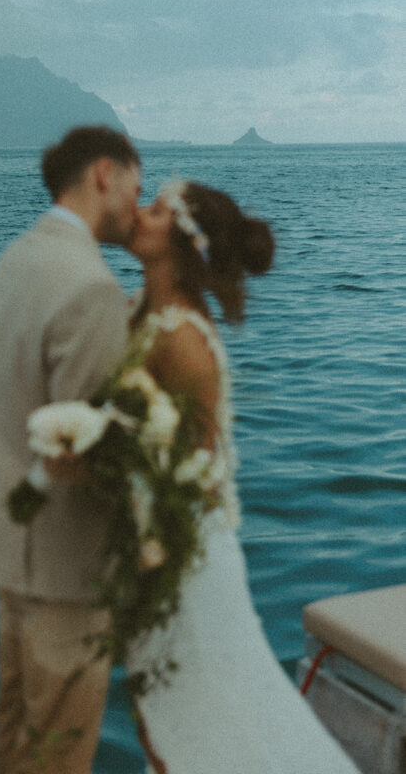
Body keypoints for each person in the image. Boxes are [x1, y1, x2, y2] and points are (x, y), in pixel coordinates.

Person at [123, 178, 360, 774]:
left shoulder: (181, 339)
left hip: (182, 551)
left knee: (196, 714)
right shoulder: (142, 310)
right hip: (152, 540)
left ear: (179, 242)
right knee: (162, 711)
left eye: (153, 211)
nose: (138, 213)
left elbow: (195, 466)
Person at [0, 126, 142, 774]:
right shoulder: (88, 286)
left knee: (14, 737)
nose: (136, 210)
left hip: (6, 547)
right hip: (63, 567)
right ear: (102, 176)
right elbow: (84, 451)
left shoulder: (19, 257)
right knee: (57, 754)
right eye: (135, 189)